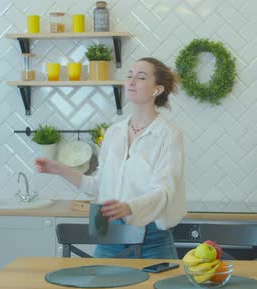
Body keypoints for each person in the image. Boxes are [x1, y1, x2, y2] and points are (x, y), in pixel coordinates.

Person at [35, 57, 186, 259]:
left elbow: (164, 192)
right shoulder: (114, 132)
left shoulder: (168, 134)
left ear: (156, 90)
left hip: (152, 240)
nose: (131, 82)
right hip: (109, 235)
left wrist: (129, 208)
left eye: (141, 77)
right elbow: (97, 187)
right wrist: (61, 169)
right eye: (129, 76)